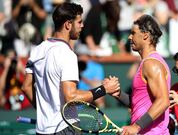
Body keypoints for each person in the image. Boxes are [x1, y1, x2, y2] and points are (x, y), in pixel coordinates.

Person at [21, 2, 120, 135]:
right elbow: (71, 97)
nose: (82, 26)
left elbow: (26, 87)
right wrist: (103, 89)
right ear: (68, 24)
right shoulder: (67, 55)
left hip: (42, 129)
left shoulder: (37, 50)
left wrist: (45, 113)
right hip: (65, 127)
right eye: (79, 22)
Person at [112, 14, 171, 135]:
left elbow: (163, 101)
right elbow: (139, 104)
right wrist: (118, 94)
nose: (129, 37)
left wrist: (137, 126)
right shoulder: (147, 63)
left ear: (145, 35)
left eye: (133, 33)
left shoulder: (151, 64)